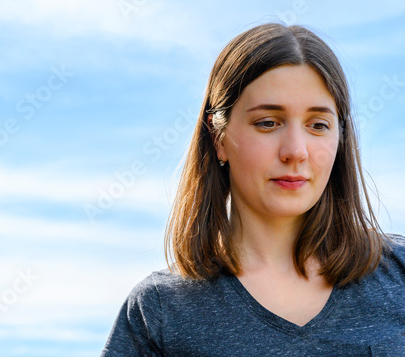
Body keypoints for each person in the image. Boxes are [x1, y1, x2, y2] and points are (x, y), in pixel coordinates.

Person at [100, 23, 405, 356]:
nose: (296, 151)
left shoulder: (398, 275)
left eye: (318, 125)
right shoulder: (159, 311)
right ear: (219, 139)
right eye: (268, 123)